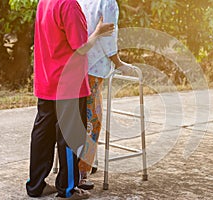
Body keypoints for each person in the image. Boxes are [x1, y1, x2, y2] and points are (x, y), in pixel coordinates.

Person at [26, 0, 114, 199]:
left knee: (43, 133)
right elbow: (81, 48)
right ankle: (68, 189)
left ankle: (36, 185)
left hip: (47, 79)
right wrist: (98, 32)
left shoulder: (45, 2)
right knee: (70, 136)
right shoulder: (69, 5)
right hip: (68, 84)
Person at [77, 0, 132, 190]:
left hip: (77, 62)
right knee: (93, 120)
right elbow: (108, 37)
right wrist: (118, 63)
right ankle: (81, 172)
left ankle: (79, 165)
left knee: (78, 116)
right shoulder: (108, 2)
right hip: (94, 66)